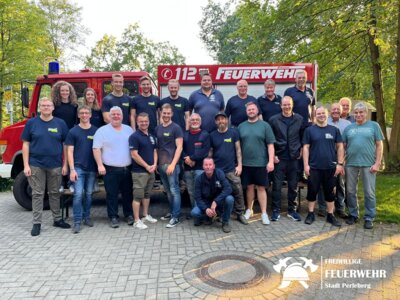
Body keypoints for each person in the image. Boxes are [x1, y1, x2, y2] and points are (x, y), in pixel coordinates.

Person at [22, 97, 71, 236]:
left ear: (53, 108)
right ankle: (36, 223)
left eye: (48, 105)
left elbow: (66, 145)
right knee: (37, 194)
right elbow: (25, 144)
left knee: (55, 193)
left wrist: (65, 164)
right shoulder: (32, 123)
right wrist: (26, 165)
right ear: (39, 108)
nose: (46, 107)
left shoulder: (60, 123)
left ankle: (57, 219)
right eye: (43, 105)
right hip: (36, 164)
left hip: (55, 165)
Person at [343, 102, 384, 229]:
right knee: (350, 191)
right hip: (350, 164)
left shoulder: (374, 126)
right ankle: (353, 214)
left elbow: (379, 145)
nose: (358, 114)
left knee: (369, 192)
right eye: (356, 112)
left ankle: (369, 217)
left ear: (366, 113)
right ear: (353, 114)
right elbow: (342, 147)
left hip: (369, 164)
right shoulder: (349, 128)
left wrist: (377, 163)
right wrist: (341, 163)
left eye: (361, 112)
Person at [93, 106, 134, 228]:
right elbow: (96, 149)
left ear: (122, 116)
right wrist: (100, 165)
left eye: (118, 114)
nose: (116, 116)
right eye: (113, 114)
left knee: (128, 194)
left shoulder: (129, 130)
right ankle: (113, 217)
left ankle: (129, 215)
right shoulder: (102, 131)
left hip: (127, 168)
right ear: (109, 117)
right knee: (112, 194)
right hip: (110, 169)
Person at [302, 106, 344, 227]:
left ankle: (330, 215)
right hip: (314, 167)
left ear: (327, 115)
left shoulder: (334, 130)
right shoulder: (310, 130)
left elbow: (340, 146)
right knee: (312, 191)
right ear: (315, 115)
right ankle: (310, 213)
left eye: (323, 113)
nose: (321, 115)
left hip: (331, 167)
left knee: (330, 192)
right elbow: (305, 148)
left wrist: (340, 164)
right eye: (318, 113)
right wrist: (306, 165)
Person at [238, 102, 276, 225]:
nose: (251, 111)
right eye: (249, 110)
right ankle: (249, 210)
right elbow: (237, 147)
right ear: (246, 112)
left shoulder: (265, 126)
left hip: (261, 163)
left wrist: (270, 162)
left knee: (261, 188)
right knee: (249, 187)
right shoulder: (241, 126)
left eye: (253, 109)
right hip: (246, 163)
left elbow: (270, 145)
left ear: (257, 111)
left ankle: (264, 213)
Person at [269, 96, 303, 222]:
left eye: (289, 104)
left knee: (293, 185)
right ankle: (276, 210)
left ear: (292, 105)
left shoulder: (299, 119)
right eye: (284, 105)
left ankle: (292, 210)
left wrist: (300, 150)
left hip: (294, 157)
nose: (287, 107)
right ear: (281, 106)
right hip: (279, 157)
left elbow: (302, 136)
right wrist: (273, 156)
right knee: (277, 186)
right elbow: (270, 140)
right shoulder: (274, 120)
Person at [210, 112, 248, 225]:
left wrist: (240, 165)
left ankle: (240, 213)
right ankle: (220, 214)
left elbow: (238, 150)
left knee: (238, 190)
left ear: (227, 120)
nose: (221, 121)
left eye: (223, 119)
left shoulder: (233, 133)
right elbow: (210, 154)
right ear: (216, 122)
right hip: (217, 171)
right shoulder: (212, 135)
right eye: (218, 119)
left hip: (231, 170)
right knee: (218, 192)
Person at [65, 105, 98, 234]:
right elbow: (69, 151)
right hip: (78, 168)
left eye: (86, 113)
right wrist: (72, 169)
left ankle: (87, 217)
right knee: (78, 194)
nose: (84, 115)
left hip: (92, 168)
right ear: (78, 115)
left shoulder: (96, 131)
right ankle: (77, 222)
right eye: (82, 113)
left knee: (89, 195)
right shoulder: (73, 131)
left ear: (90, 115)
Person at [319, 102, 352, 218]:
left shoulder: (347, 124)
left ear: (342, 110)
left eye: (338, 109)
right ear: (330, 111)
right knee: (323, 183)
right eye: (333, 109)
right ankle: (323, 208)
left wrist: (341, 162)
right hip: (326, 157)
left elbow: (347, 143)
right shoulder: (324, 121)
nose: (336, 111)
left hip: (341, 157)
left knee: (340, 183)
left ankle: (340, 208)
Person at [284, 70, 315, 183]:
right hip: (294, 125)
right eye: (299, 77)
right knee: (296, 149)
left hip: (307, 125)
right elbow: (285, 106)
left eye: (303, 77)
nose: (301, 79)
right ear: (295, 79)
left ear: (306, 79)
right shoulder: (289, 91)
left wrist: (314, 122)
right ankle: (294, 175)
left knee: (306, 149)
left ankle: (303, 174)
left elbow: (313, 108)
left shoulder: (310, 91)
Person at [156, 104, 183, 228]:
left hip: (172, 165)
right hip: (161, 165)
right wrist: (157, 164)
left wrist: (173, 164)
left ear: (171, 114)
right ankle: (172, 212)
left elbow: (179, 148)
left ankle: (176, 216)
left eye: (168, 113)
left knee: (174, 190)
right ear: (161, 113)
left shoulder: (176, 128)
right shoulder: (158, 128)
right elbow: (157, 148)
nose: (166, 115)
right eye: (164, 113)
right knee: (167, 191)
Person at [129, 113, 158, 230]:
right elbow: (134, 155)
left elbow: (155, 151)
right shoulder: (134, 137)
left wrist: (155, 164)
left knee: (147, 194)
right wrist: (147, 166)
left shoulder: (151, 136)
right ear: (137, 122)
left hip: (151, 170)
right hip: (139, 172)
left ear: (149, 122)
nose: (144, 123)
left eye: (146, 121)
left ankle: (145, 215)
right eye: (141, 121)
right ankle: (136, 220)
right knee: (137, 196)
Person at [191, 158, 234, 233]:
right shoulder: (199, 179)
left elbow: (228, 189)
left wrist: (216, 201)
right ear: (203, 167)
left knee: (230, 199)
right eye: (206, 165)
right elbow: (198, 198)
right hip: (206, 203)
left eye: (210, 165)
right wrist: (205, 209)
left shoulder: (219, 174)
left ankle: (225, 222)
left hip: (219, 202)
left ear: (214, 166)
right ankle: (209, 216)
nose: (208, 167)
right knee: (195, 213)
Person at [182, 113, 210, 209]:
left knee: (201, 191)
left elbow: (205, 151)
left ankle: (202, 211)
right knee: (191, 191)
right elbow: (180, 149)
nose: (194, 121)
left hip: (200, 169)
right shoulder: (184, 134)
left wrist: (192, 158)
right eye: (192, 120)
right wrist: (187, 159)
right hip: (187, 168)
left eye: (197, 120)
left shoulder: (205, 134)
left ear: (200, 122)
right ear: (189, 122)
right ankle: (195, 212)